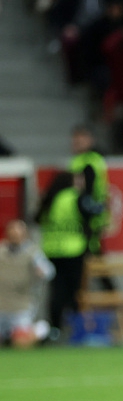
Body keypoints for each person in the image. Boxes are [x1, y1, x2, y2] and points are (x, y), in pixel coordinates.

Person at [35, 171, 103, 342]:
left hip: (52, 251)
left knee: (57, 291)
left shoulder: (50, 198)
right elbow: (93, 211)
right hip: (73, 250)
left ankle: (55, 329)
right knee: (75, 291)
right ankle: (77, 329)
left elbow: (37, 219)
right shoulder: (75, 197)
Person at [0, 219, 54, 348]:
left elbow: (49, 271)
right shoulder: (1, 250)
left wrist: (40, 271)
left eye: (18, 232)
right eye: (12, 232)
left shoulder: (33, 253)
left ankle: (33, 334)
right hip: (2, 304)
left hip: (21, 306)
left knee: (21, 341)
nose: (15, 235)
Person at [68, 125, 109, 256]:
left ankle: (105, 276)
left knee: (90, 248)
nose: (77, 142)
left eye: (81, 139)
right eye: (75, 139)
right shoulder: (78, 160)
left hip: (89, 210)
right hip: (88, 209)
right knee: (91, 249)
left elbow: (89, 188)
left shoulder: (90, 161)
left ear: (90, 140)